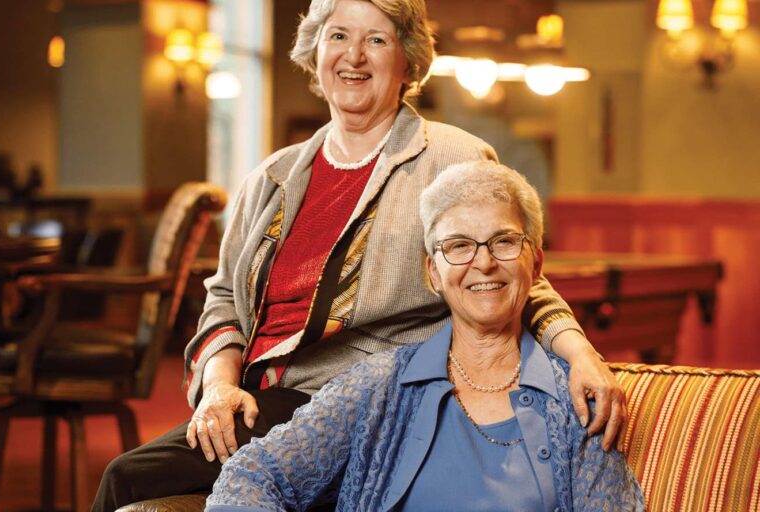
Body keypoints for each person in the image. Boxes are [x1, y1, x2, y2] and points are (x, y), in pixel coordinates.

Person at [93, 0, 626, 509]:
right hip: (258, 399)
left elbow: (506, 271)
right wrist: (219, 386)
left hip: (368, 398)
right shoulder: (272, 176)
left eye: (376, 39)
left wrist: (581, 355)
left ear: (407, 60)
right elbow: (225, 296)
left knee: (129, 477)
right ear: (315, 53)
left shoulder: (451, 156)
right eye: (338, 37)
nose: (354, 56)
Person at [206, 161, 644, 511]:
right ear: (433, 273)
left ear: (537, 264)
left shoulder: (575, 401)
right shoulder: (377, 387)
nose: (484, 263)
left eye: (504, 242)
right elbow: (253, 476)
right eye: (459, 246)